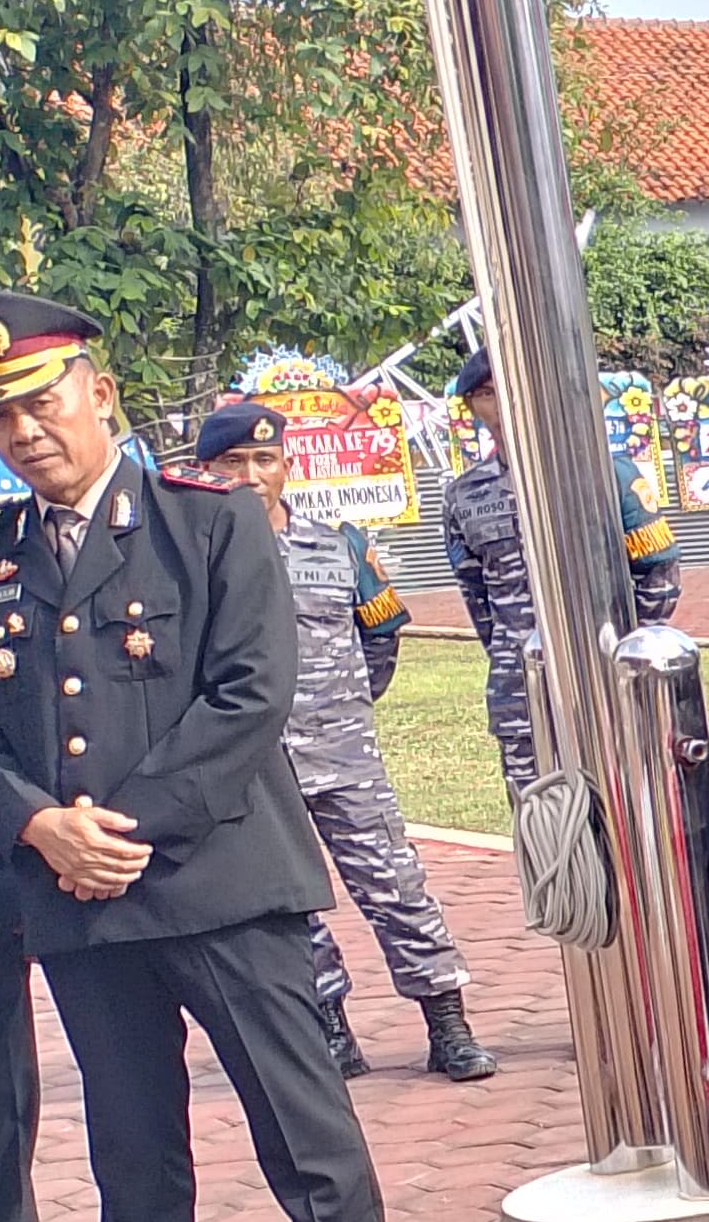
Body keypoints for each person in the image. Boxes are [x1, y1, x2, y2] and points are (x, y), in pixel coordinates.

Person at [0, 294, 390, 1222]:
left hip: (217, 875)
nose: (24, 431)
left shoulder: (209, 520)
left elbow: (250, 696)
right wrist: (35, 827)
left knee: (296, 1112)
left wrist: (118, 827)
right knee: (128, 1132)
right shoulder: (0, 554)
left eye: (40, 399)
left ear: (98, 392)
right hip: (71, 894)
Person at [187, 402, 494, 1085]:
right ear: (204, 471)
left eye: (263, 461)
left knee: (396, 886)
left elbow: (380, 635)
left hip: (344, 756)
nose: (250, 475)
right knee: (290, 903)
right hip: (255, 769)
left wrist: (344, 709)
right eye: (232, 463)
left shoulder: (339, 546)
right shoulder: (189, 561)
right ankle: (331, 1026)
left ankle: (447, 1023)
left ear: (286, 467)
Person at [440, 347, 680, 799]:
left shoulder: (604, 473)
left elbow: (659, 573)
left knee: (621, 817)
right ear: (472, 406)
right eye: (487, 394)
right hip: (521, 694)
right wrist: (515, 654)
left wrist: (623, 651)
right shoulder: (463, 496)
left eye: (512, 389)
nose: (502, 404)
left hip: (604, 684)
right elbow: (478, 601)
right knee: (541, 825)